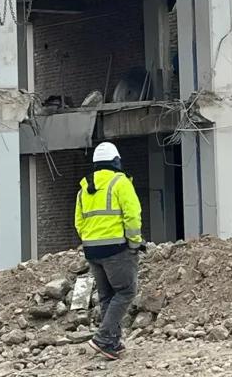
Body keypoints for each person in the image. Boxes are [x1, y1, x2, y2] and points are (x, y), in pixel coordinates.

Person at [74, 141, 144, 360]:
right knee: (126, 292)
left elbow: (78, 221)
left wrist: (90, 240)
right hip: (116, 249)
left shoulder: (85, 188)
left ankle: (112, 344)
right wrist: (134, 241)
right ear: (116, 161)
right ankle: (103, 338)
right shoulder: (120, 183)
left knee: (107, 296)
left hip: (92, 251)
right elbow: (132, 214)